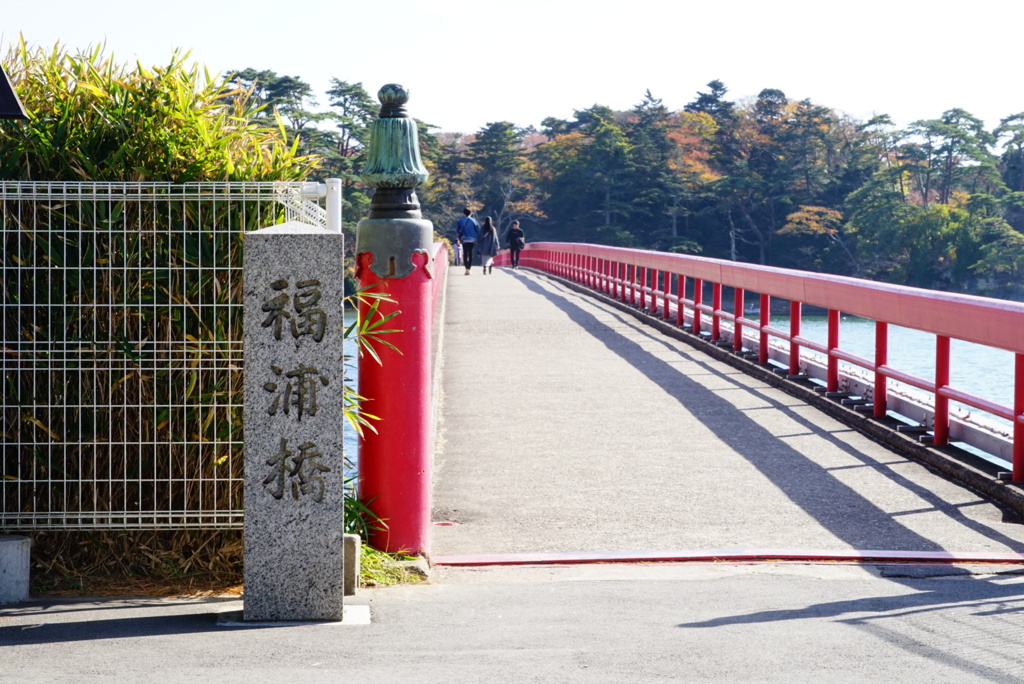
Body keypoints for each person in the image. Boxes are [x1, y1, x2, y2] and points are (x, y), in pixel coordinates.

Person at [455, 208, 479, 275]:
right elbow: (477, 230)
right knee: (470, 253)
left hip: (464, 239)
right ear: (470, 213)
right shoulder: (474, 221)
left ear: (464, 213)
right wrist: (477, 239)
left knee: (465, 253)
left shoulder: (460, 221)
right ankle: (469, 269)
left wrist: (458, 239)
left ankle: (466, 268)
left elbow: (457, 231)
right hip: (472, 239)